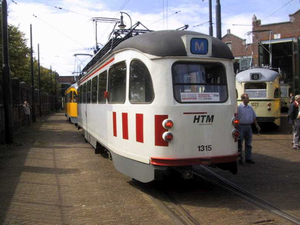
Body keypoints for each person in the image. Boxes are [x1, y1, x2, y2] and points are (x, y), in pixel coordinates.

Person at [237, 93, 261, 164]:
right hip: (241, 126)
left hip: (249, 126)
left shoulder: (250, 107)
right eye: (247, 98)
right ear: (243, 99)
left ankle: (248, 158)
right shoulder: (239, 107)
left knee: (249, 143)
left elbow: (254, 117)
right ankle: (240, 158)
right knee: (240, 143)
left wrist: (257, 125)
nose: (248, 99)